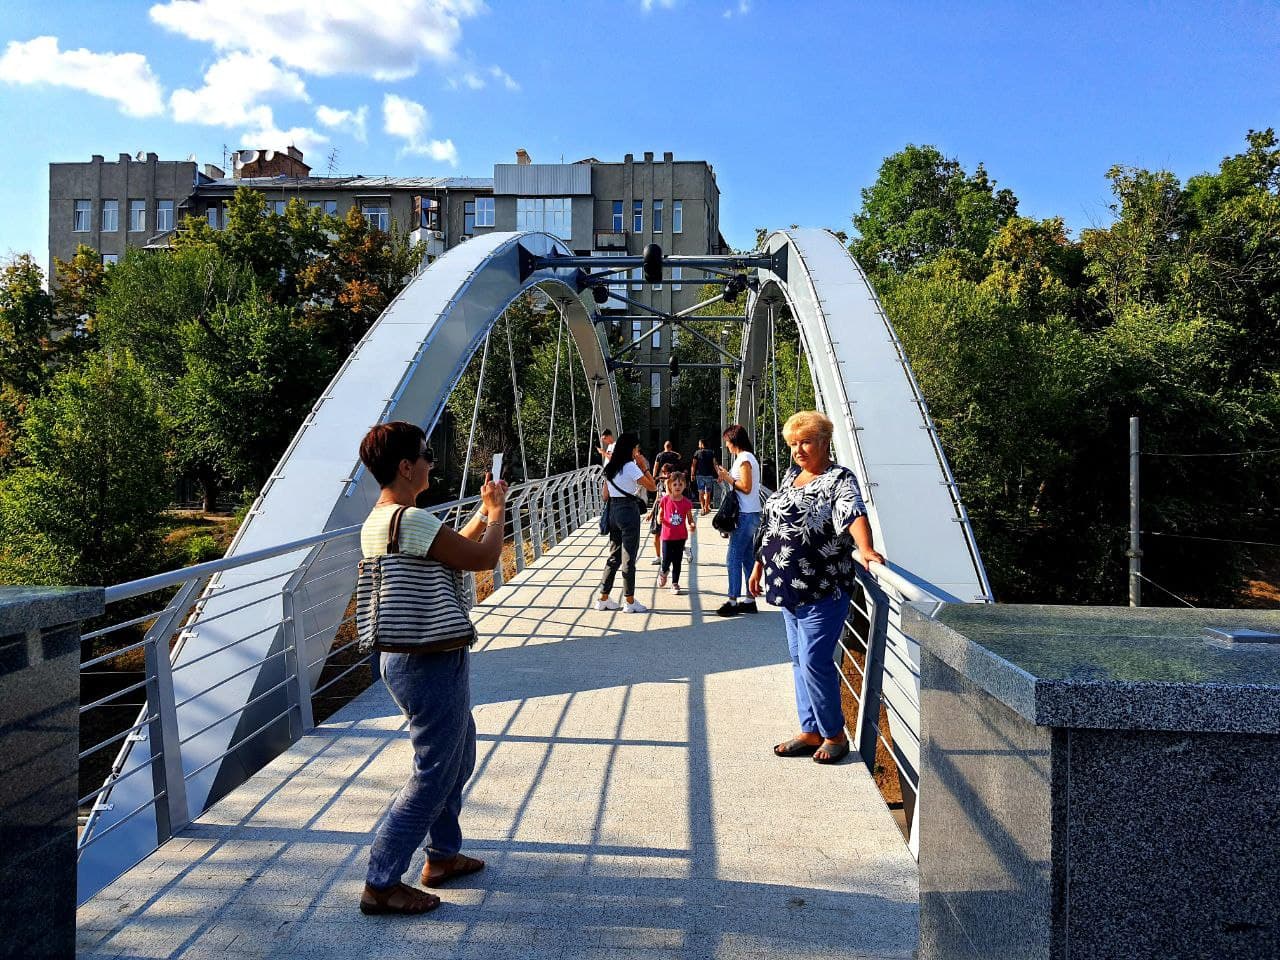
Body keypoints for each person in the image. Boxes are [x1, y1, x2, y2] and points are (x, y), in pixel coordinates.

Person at [356, 421, 508, 915]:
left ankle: (441, 856)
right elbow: (482, 557)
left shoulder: (383, 518)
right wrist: (500, 511)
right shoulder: (412, 519)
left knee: (458, 754)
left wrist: (482, 512)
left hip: (403, 655)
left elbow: (446, 549)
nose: (430, 462)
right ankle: (381, 881)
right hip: (429, 658)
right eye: (424, 455)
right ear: (405, 466)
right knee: (434, 771)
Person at [749, 411, 885, 765]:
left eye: (805, 442)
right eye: (793, 444)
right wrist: (759, 564)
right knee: (799, 661)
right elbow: (770, 524)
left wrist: (866, 549)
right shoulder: (793, 476)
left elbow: (853, 513)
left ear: (825, 441)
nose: (798, 450)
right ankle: (810, 730)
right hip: (786, 590)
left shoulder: (838, 479)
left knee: (814, 660)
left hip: (823, 589)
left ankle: (834, 734)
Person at [595, 430, 657, 613]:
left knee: (613, 555)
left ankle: (603, 597)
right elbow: (652, 486)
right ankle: (629, 601)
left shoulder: (610, 466)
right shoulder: (630, 466)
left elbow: (605, 495)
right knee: (629, 556)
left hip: (613, 511)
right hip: (628, 511)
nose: (637, 452)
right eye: (636, 449)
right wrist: (643, 466)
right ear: (631, 448)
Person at [714, 424, 764, 617]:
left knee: (733, 556)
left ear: (733, 441)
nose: (726, 445)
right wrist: (727, 476)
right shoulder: (747, 458)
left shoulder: (744, 459)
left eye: (727, 441)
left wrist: (728, 478)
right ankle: (750, 600)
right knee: (746, 557)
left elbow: (746, 487)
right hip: (751, 513)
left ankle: (733, 600)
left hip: (745, 514)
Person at [656, 471, 696, 594]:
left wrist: (692, 525)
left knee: (677, 560)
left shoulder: (687, 503)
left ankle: (675, 583)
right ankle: (664, 571)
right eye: (675, 484)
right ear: (670, 486)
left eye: (680, 484)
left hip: (680, 536)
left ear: (684, 486)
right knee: (666, 558)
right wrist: (659, 519)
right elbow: (660, 514)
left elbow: (690, 518)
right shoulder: (665, 500)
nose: (677, 487)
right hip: (667, 536)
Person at [690, 438, 718, 516]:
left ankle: (702, 508)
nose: (698, 445)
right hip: (709, 475)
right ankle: (706, 507)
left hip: (700, 475)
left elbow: (694, 464)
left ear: (702, 444)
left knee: (701, 493)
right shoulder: (711, 452)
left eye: (699, 443)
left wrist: (692, 474)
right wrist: (719, 473)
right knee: (708, 493)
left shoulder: (697, 453)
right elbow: (715, 464)